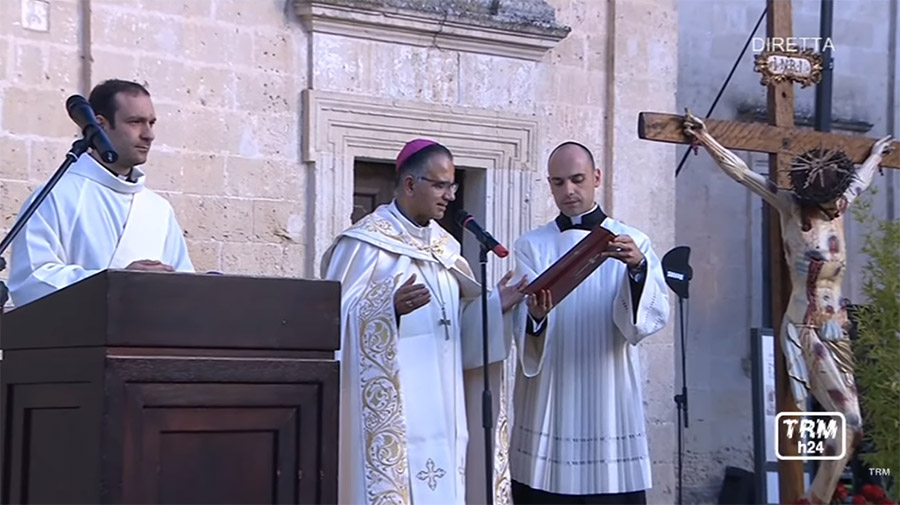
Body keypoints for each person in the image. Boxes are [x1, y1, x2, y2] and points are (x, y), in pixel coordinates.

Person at [682, 110, 893, 504]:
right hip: (807, 327)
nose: (837, 207)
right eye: (830, 202)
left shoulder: (839, 205)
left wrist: (876, 156)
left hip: (837, 328)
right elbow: (742, 172)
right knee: (847, 420)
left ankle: (816, 498)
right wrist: (707, 139)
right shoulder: (791, 209)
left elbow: (860, 183)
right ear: (815, 197)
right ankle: (814, 499)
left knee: (853, 427)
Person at [321, 139, 542, 505]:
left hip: (446, 407)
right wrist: (385, 310)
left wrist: (494, 306)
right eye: (441, 185)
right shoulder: (363, 244)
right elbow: (332, 322)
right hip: (399, 412)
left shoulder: (446, 249)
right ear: (410, 184)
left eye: (452, 185)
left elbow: (456, 329)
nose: (450, 196)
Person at [509, 141, 670, 505]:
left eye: (577, 179)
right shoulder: (531, 245)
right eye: (558, 182)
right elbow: (520, 322)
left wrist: (638, 270)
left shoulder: (634, 241)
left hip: (608, 390)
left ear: (596, 177)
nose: (568, 190)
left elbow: (644, 324)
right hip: (551, 390)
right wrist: (535, 317)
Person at [8, 79, 193, 307]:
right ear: (100, 124)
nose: (149, 135)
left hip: (149, 330)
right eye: (135, 122)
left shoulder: (159, 210)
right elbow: (31, 281)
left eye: (151, 123)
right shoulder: (55, 197)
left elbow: (184, 285)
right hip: (75, 329)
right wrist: (115, 283)